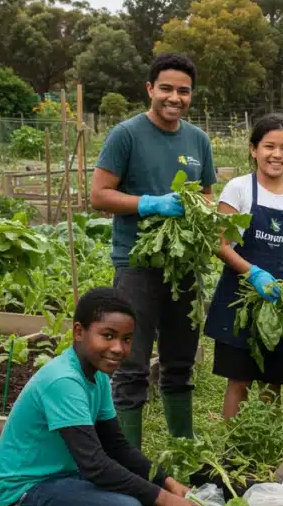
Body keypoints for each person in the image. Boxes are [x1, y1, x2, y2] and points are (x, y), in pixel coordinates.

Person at [0, 288, 205, 506]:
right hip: (25, 493)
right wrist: (163, 498)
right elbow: (94, 464)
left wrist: (168, 483)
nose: (118, 348)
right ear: (79, 331)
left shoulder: (97, 374)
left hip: (66, 477)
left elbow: (117, 446)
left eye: (126, 339)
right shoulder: (63, 381)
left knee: (152, 504)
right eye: (108, 335)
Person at [92, 53, 217, 446]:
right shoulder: (126, 135)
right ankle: (130, 462)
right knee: (130, 365)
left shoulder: (198, 140)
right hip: (137, 265)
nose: (175, 97)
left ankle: (184, 451)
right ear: (150, 89)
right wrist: (149, 203)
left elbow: (208, 195)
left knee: (180, 364)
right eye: (166, 88)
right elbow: (98, 195)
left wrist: (202, 211)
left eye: (183, 91)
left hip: (184, 267)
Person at [205, 114, 283, 420]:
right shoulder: (238, 189)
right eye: (269, 146)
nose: (277, 154)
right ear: (253, 149)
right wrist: (254, 273)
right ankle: (234, 447)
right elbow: (219, 244)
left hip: (280, 301)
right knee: (240, 379)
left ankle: (268, 445)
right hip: (241, 299)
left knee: (274, 381)